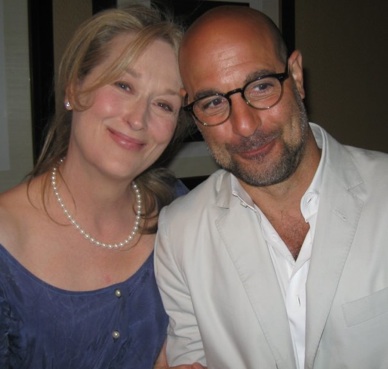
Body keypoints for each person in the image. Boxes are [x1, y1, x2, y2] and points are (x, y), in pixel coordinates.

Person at [154, 5, 388, 369]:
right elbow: (192, 355)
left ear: (295, 75)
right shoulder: (179, 233)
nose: (245, 126)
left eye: (261, 86)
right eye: (214, 102)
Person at [0, 5, 204, 369]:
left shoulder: (180, 211)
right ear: (75, 89)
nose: (138, 118)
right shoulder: (6, 241)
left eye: (163, 104)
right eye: (124, 85)